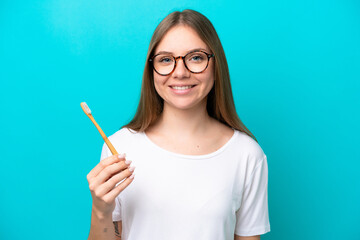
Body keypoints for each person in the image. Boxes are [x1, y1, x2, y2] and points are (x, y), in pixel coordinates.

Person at [87, 9, 270, 240]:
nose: (180, 73)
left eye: (196, 57)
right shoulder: (119, 148)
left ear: (216, 64)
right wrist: (100, 210)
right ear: (151, 69)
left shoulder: (247, 154)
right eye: (166, 60)